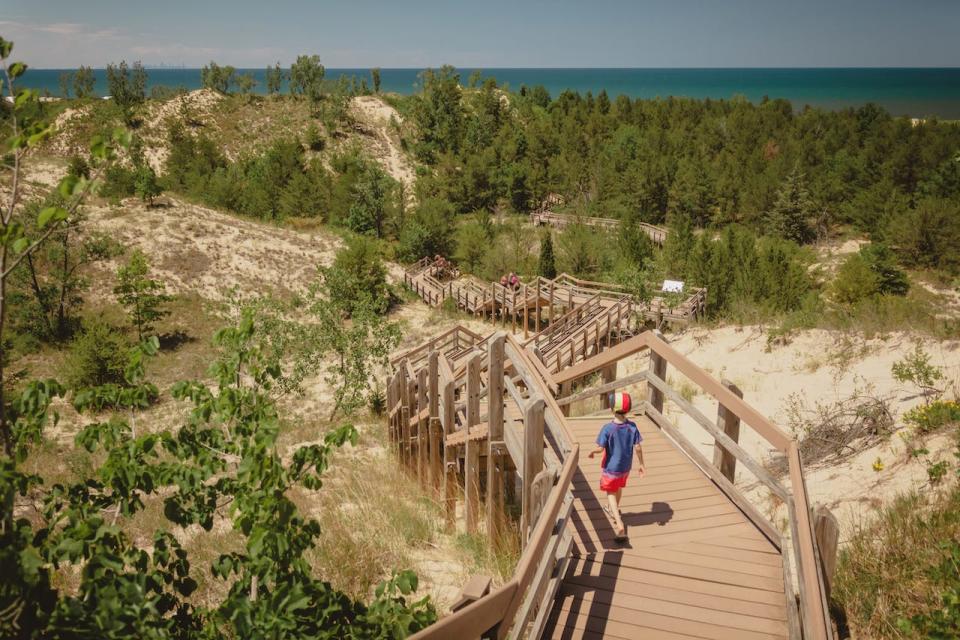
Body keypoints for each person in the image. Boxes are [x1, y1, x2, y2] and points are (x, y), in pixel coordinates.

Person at [588, 392, 645, 541]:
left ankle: (619, 525)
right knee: (618, 487)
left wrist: (593, 451)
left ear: (611, 409)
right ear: (629, 409)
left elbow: (600, 448)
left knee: (610, 492)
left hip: (611, 467)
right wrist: (641, 464)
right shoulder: (632, 427)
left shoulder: (608, 428)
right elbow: (638, 447)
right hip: (625, 467)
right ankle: (612, 510)